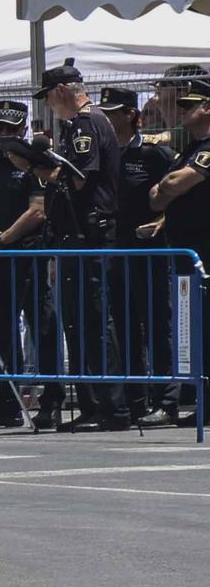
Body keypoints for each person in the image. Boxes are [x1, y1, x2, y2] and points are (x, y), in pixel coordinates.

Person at [37, 59, 127, 430]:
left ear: (61, 92)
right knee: (80, 319)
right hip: (82, 233)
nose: (48, 105)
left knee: (92, 318)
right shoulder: (82, 124)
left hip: (91, 231)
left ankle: (110, 406)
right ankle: (94, 404)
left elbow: (79, 179)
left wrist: (51, 172)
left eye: (48, 97)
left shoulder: (85, 124)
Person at [0, 102, 59, 430]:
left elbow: (38, 210)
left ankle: (51, 401)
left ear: (21, 129)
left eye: (10, 129)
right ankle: (5, 402)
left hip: (27, 255)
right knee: (3, 331)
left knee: (42, 326)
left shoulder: (36, 164)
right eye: (0, 128)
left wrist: (3, 239)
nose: (4, 135)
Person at [103, 87, 184, 426]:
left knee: (156, 323)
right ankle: (136, 398)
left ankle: (167, 398)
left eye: (114, 112)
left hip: (150, 250)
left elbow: (179, 196)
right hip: (116, 249)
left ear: (130, 116)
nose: (107, 117)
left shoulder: (154, 154)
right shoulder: (103, 154)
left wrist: (162, 221)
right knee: (124, 325)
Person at [151, 77, 210, 418]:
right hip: (187, 247)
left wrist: (168, 188)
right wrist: (167, 188)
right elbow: (157, 198)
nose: (183, 110)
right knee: (194, 326)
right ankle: (199, 396)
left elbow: (175, 183)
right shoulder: (190, 147)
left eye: (191, 105)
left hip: (204, 249)